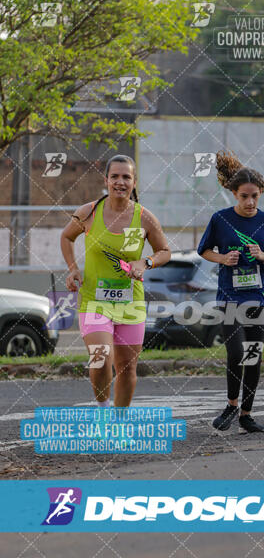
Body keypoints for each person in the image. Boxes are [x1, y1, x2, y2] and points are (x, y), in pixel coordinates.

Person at [61, 154, 171, 407]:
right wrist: (72, 268)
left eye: (126, 177)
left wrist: (145, 263)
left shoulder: (144, 217)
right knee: (101, 358)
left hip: (131, 302)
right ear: (106, 179)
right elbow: (66, 237)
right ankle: (103, 408)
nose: (120, 182)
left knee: (126, 367)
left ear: (134, 182)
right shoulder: (88, 212)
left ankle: (118, 424)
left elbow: (164, 251)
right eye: (115, 176)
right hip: (93, 300)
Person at [197, 150, 264, 433]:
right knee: (235, 352)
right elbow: (204, 250)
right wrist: (223, 259)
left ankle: (246, 414)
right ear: (234, 193)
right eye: (244, 196)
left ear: (261, 193)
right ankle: (231, 405)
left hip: (257, 299)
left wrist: (262, 255)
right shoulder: (220, 219)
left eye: (255, 196)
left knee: (254, 355)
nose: (249, 202)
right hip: (229, 298)